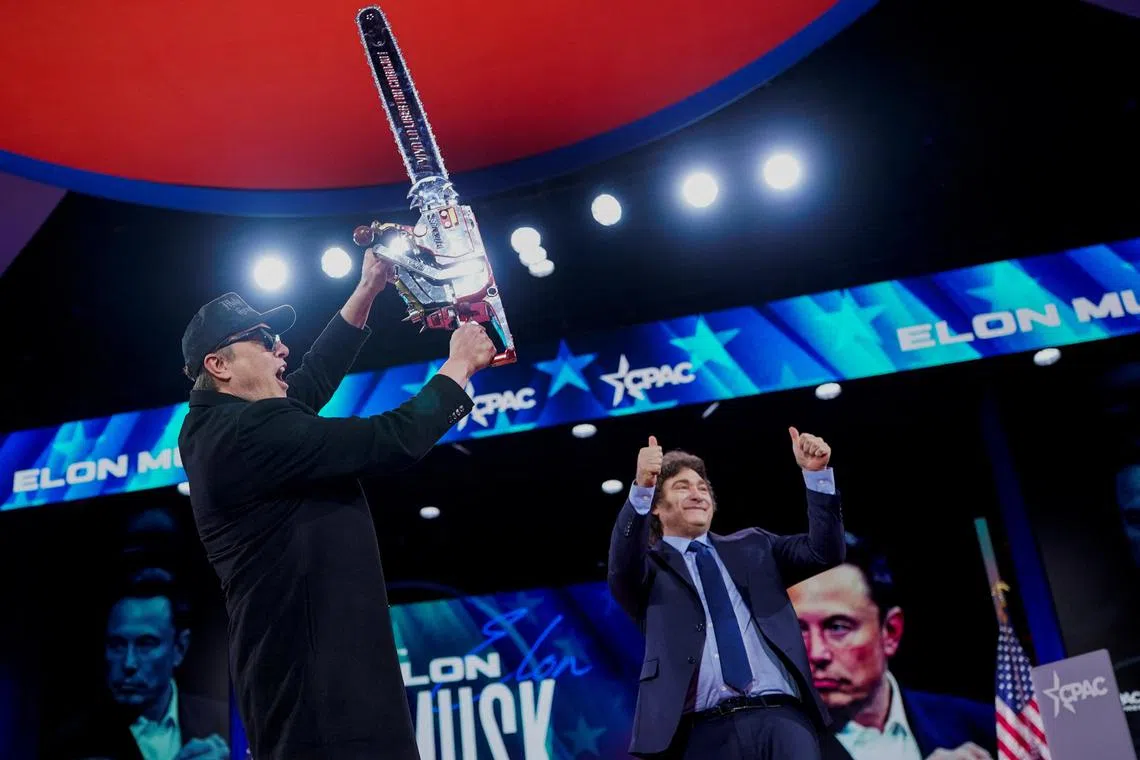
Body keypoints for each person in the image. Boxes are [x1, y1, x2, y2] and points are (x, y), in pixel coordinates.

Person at [176, 251, 494, 760]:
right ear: (219, 365)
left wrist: (366, 290)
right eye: (263, 341)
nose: (282, 347)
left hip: (312, 681)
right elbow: (389, 440)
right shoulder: (246, 433)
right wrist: (458, 367)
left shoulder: (221, 426)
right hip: (321, 693)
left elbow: (309, 381)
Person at [608, 429, 846, 759]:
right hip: (703, 734)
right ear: (657, 509)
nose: (697, 494)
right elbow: (620, 567)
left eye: (702, 488)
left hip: (783, 719)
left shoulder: (755, 545)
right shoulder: (648, 569)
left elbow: (825, 552)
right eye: (682, 487)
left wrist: (816, 475)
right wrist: (642, 489)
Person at [788, 535, 996, 760]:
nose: (817, 653)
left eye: (838, 627)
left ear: (890, 632)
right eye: (799, 631)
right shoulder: (772, 749)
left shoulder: (984, 726)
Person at [50, 573, 230, 760]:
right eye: (117, 644)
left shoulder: (228, 725)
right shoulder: (73, 742)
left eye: (146, 643)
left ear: (179, 648)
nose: (129, 664)